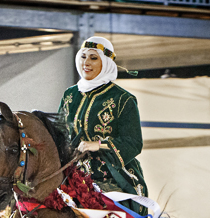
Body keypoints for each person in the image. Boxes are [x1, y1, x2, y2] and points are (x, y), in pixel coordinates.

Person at [58, 36, 147, 198]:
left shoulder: (123, 99)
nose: (86, 62)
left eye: (93, 58)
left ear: (105, 63)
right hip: (71, 173)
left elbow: (134, 143)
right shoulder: (69, 95)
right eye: (83, 57)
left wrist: (98, 145)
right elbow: (58, 133)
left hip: (112, 176)